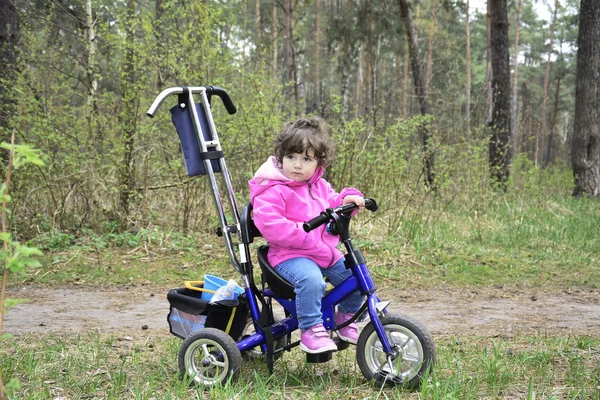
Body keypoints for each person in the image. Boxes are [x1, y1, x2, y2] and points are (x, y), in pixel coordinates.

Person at [248, 116, 365, 354]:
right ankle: (311, 329)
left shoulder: (319, 186)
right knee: (311, 281)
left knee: (356, 274)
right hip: (288, 256)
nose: (297, 165)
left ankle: (346, 317)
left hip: (322, 253)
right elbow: (270, 224)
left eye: (306, 159)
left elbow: (334, 201)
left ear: (318, 163)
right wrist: (303, 232)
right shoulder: (272, 189)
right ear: (281, 158)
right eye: (291, 157)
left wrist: (347, 200)